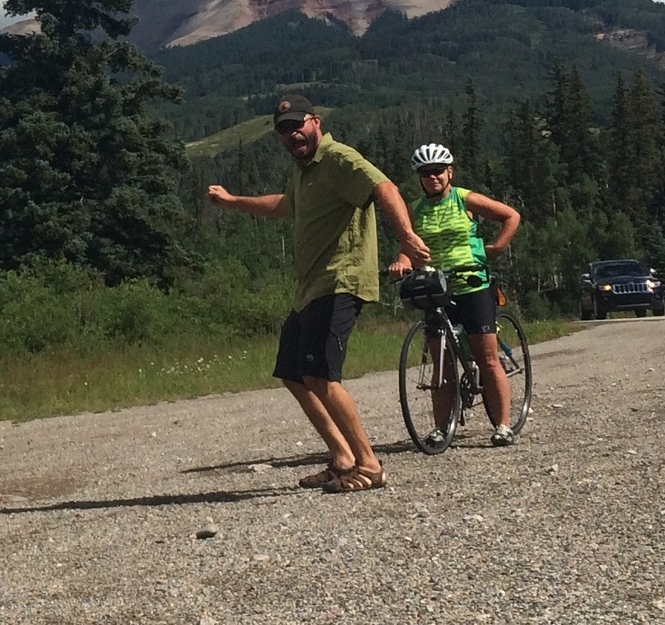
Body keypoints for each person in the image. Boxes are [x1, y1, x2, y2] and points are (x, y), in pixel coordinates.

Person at [205, 95, 429, 493]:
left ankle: (369, 463)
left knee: (321, 373)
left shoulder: (338, 159)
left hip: (341, 279)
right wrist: (233, 202)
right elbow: (284, 206)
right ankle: (342, 457)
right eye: (284, 130)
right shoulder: (303, 171)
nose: (292, 135)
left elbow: (385, 187)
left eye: (297, 125)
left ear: (316, 122)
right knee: (294, 372)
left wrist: (407, 237)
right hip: (309, 286)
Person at [406, 142, 524, 447]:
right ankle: (441, 428)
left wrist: (497, 248)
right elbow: (410, 247)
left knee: (486, 357)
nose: (432, 177)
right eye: (425, 172)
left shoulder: (464, 199)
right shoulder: (416, 209)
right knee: (441, 364)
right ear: (419, 177)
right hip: (436, 288)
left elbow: (511, 215)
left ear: (449, 172)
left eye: (437, 171)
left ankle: (503, 425)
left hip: (472, 284)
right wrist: (401, 263)